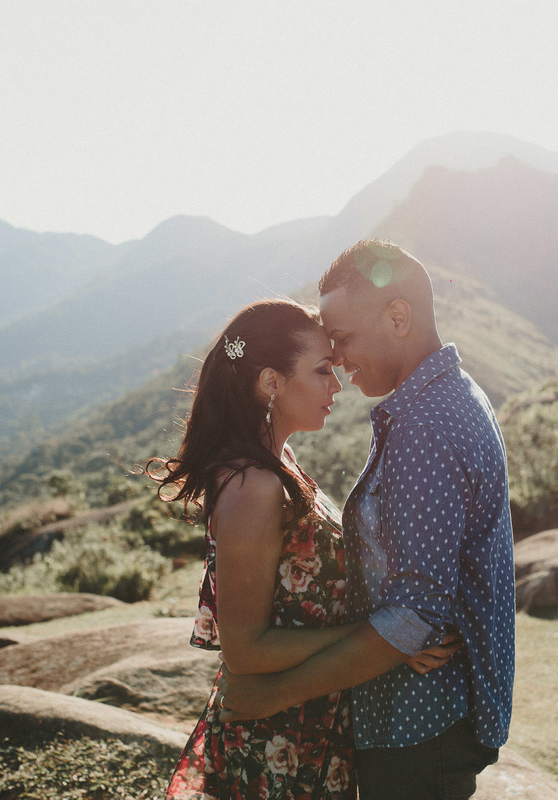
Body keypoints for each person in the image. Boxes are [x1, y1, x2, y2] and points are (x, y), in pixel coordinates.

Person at [220, 240, 516, 800]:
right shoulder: (449, 398)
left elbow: (414, 620)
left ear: (397, 316)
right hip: (414, 717)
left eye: (344, 340)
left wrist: (274, 694)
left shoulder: (425, 427)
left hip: (416, 723)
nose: (340, 362)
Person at [149, 299, 454, 800]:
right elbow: (245, 650)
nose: (337, 385)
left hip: (306, 728)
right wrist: (387, 641)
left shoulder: (277, 462)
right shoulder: (253, 486)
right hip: (276, 746)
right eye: (322, 370)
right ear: (272, 383)